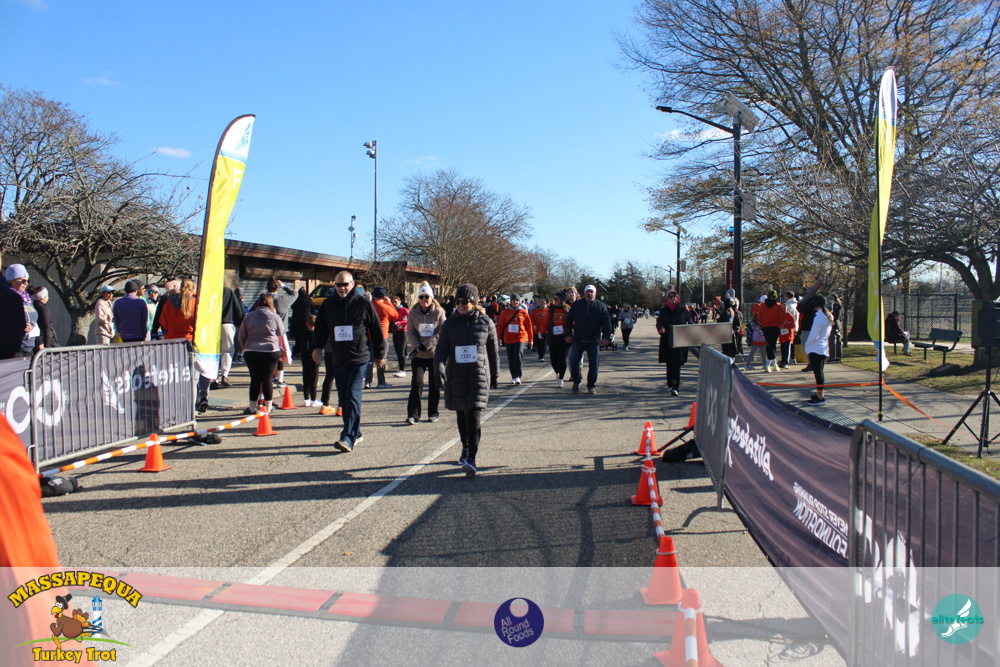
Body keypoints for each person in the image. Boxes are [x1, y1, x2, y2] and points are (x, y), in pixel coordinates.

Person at [313, 271, 386, 453]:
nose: (342, 288)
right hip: (338, 358)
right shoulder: (328, 304)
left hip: (359, 358)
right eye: (338, 285)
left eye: (345, 284)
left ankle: (347, 436)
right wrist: (317, 347)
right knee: (344, 398)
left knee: (353, 395)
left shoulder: (363, 303)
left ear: (352, 284)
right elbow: (321, 328)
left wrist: (380, 354)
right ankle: (356, 432)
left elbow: (376, 329)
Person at [435, 283, 499, 477]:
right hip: (456, 375)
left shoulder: (486, 322)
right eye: (458, 301)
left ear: (474, 302)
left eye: (465, 301)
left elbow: (493, 351)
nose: (461, 305)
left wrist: (495, 374)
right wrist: (439, 368)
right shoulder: (449, 324)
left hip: (478, 375)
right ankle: (465, 445)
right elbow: (441, 349)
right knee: (462, 414)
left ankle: (472, 456)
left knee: (473, 414)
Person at [237, 294, 285, 415]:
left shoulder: (248, 316)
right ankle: (268, 407)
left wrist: (245, 346)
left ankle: (252, 408)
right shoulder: (274, 316)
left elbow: (241, 335)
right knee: (267, 378)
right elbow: (281, 331)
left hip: (252, 350)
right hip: (271, 350)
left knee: (255, 379)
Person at [405, 282, 446, 424]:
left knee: (434, 384)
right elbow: (410, 332)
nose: (424, 300)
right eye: (421, 297)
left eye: (426, 297)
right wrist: (417, 346)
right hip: (418, 354)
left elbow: (442, 332)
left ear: (431, 298)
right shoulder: (413, 313)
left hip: (434, 354)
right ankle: (413, 414)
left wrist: (427, 344)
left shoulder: (439, 312)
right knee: (417, 383)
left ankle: (433, 412)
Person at [565, 284, 612, 395]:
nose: (589, 294)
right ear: (584, 293)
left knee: (594, 364)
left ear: (595, 294)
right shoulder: (577, 305)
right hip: (578, 339)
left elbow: (607, 323)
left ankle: (591, 386)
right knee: (574, 360)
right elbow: (569, 319)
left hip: (594, 340)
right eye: (588, 292)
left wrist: (606, 337)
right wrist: (568, 334)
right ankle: (576, 381)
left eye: (592, 292)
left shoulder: (601, 306)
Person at [656, 290, 694, 396]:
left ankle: (675, 386)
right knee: (670, 363)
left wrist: (689, 327)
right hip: (667, 340)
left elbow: (690, 321)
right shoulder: (664, 311)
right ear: (667, 299)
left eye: (675, 296)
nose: (673, 298)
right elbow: (659, 322)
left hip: (679, 340)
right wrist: (661, 328)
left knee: (677, 364)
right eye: (671, 296)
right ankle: (671, 385)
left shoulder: (683, 310)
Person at [265, 278, 297, 387]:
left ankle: (269, 378)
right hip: (280, 332)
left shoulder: (263, 300)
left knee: (268, 355)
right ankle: (280, 379)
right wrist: (284, 285)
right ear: (277, 288)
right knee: (280, 355)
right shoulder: (282, 300)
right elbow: (294, 293)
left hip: (266, 331)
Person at [496, 293, 533, 384]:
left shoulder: (523, 312)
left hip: (520, 336)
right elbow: (500, 326)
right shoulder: (505, 312)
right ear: (510, 302)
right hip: (508, 338)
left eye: (517, 300)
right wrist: (498, 338)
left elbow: (529, 327)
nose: (515, 302)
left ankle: (518, 376)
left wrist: (531, 340)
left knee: (518, 355)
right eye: (513, 300)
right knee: (511, 357)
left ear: (519, 302)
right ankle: (513, 376)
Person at [804, 295, 835, 406]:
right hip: (823, 346)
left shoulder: (819, 318)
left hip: (816, 347)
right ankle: (819, 394)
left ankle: (821, 397)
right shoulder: (828, 315)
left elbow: (814, 335)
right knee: (820, 372)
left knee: (818, 373)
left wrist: (807, 344)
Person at [213, 285, 244, 388]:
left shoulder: (210, 290)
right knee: (227, 350)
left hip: (212, 325)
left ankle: (214, 378)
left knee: (214, 352)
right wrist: (239, 323)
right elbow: (237, 309)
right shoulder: (228, 291)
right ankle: (224, 375)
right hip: (227, 323)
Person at [2, 265, 34, 358]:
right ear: (11, 281)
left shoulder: (27, 298)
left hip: (29, 346)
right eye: (23, 280)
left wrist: (40, 342)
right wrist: (22, 326)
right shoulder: (8, 298)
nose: (26, 283)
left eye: (28, 281)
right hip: (15, 346)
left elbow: (36, 321)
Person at [370, 287, 399, 388]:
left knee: (370, 359)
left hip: (370, 334)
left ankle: (367, 381)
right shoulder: (385, 306)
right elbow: (395, 315)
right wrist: (389, 303)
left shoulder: (370, 305)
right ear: (384, 296)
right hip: (382, 335)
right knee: (382, 358)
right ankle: (381, 382)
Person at [756, 289, 785, 372]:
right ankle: (768, 363)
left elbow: (759, 317)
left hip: (765, 326)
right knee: (772, 344)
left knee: (770, 344)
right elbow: (782, 317)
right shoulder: (778, 305)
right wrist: (781, 324)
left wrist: (764, 322)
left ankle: (774, 363)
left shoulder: (762, 306)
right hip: (775, 326)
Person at [547, 291, 571, 387]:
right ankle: (557, 372)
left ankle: (561, 378)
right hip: (553, 337)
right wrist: (542, 332)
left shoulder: (567, 310)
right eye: (554, 299)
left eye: (556, 299)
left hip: (564, 337)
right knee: (553, 359)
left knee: (562, 358)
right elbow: (545, 322)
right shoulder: (551, 310)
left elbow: (573, 322)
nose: (554, 300)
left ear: (562, 300)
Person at [28, 286, 57, 351]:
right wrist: (47, 345)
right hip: (45, 339)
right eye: (47, 295)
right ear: (43, 297)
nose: (48, 297)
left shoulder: (32, 306)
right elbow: (46, 326)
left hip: (35, 338)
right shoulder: (43, 308)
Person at [301, 314, 320, 406]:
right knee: (314, 379)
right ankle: (313, 399)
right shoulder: (317, 334)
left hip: (305, 358)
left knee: (306, 378)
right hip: (314, 359)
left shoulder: (304, 333)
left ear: (306, 324)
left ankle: (306, 398)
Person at [390, 294, 409, 378]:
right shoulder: (392, 310)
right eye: (393, 302)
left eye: (396, 302)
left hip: (403, 332)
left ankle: (402, 370)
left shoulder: (404, 310)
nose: (394, 303)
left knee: (401, 352)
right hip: (395, 331)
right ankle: (400, 370)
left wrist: (400, 322)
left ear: (400, 302)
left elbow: (409, 319)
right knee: (397, 351)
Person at [529, 296, 548, 361]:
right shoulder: (535, 310)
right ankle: (540, 355)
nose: (542, 303)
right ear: (538, 302)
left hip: (545, 330)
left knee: (544, 343)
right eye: (540, 301)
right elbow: (531, 319)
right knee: (539, 343)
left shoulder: (548, 310)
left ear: (545, 302)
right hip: (538, 330)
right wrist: (533, 325)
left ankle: (542, 356)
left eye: (543, 301)